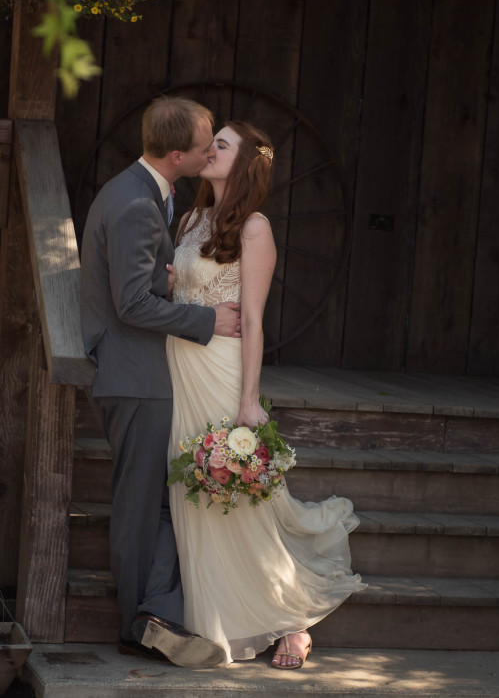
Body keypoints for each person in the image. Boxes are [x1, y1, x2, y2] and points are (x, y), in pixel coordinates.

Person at [166, 120, 366, 670]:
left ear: (246, 161)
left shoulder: (255, 229)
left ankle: (290, 620)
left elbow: (253, 320)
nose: (208, 151)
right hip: (181, 368)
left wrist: (249, 401)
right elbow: (180, 293)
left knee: (233, 500)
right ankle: (211, 621)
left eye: (220, 146)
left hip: (222, 373)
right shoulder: (189, 218)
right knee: (194, 498)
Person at [80, 96, 242, 667]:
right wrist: (206, 319)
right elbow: (129, 304)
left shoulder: (148, 190)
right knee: (141, 505)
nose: (209, 153)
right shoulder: (134, 205)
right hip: (135, 374)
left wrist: (168, 283)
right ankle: (138, 627)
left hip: (143, 370)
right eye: (204, 147)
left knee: (155, 500)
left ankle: (153, 612)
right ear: (177, 155)